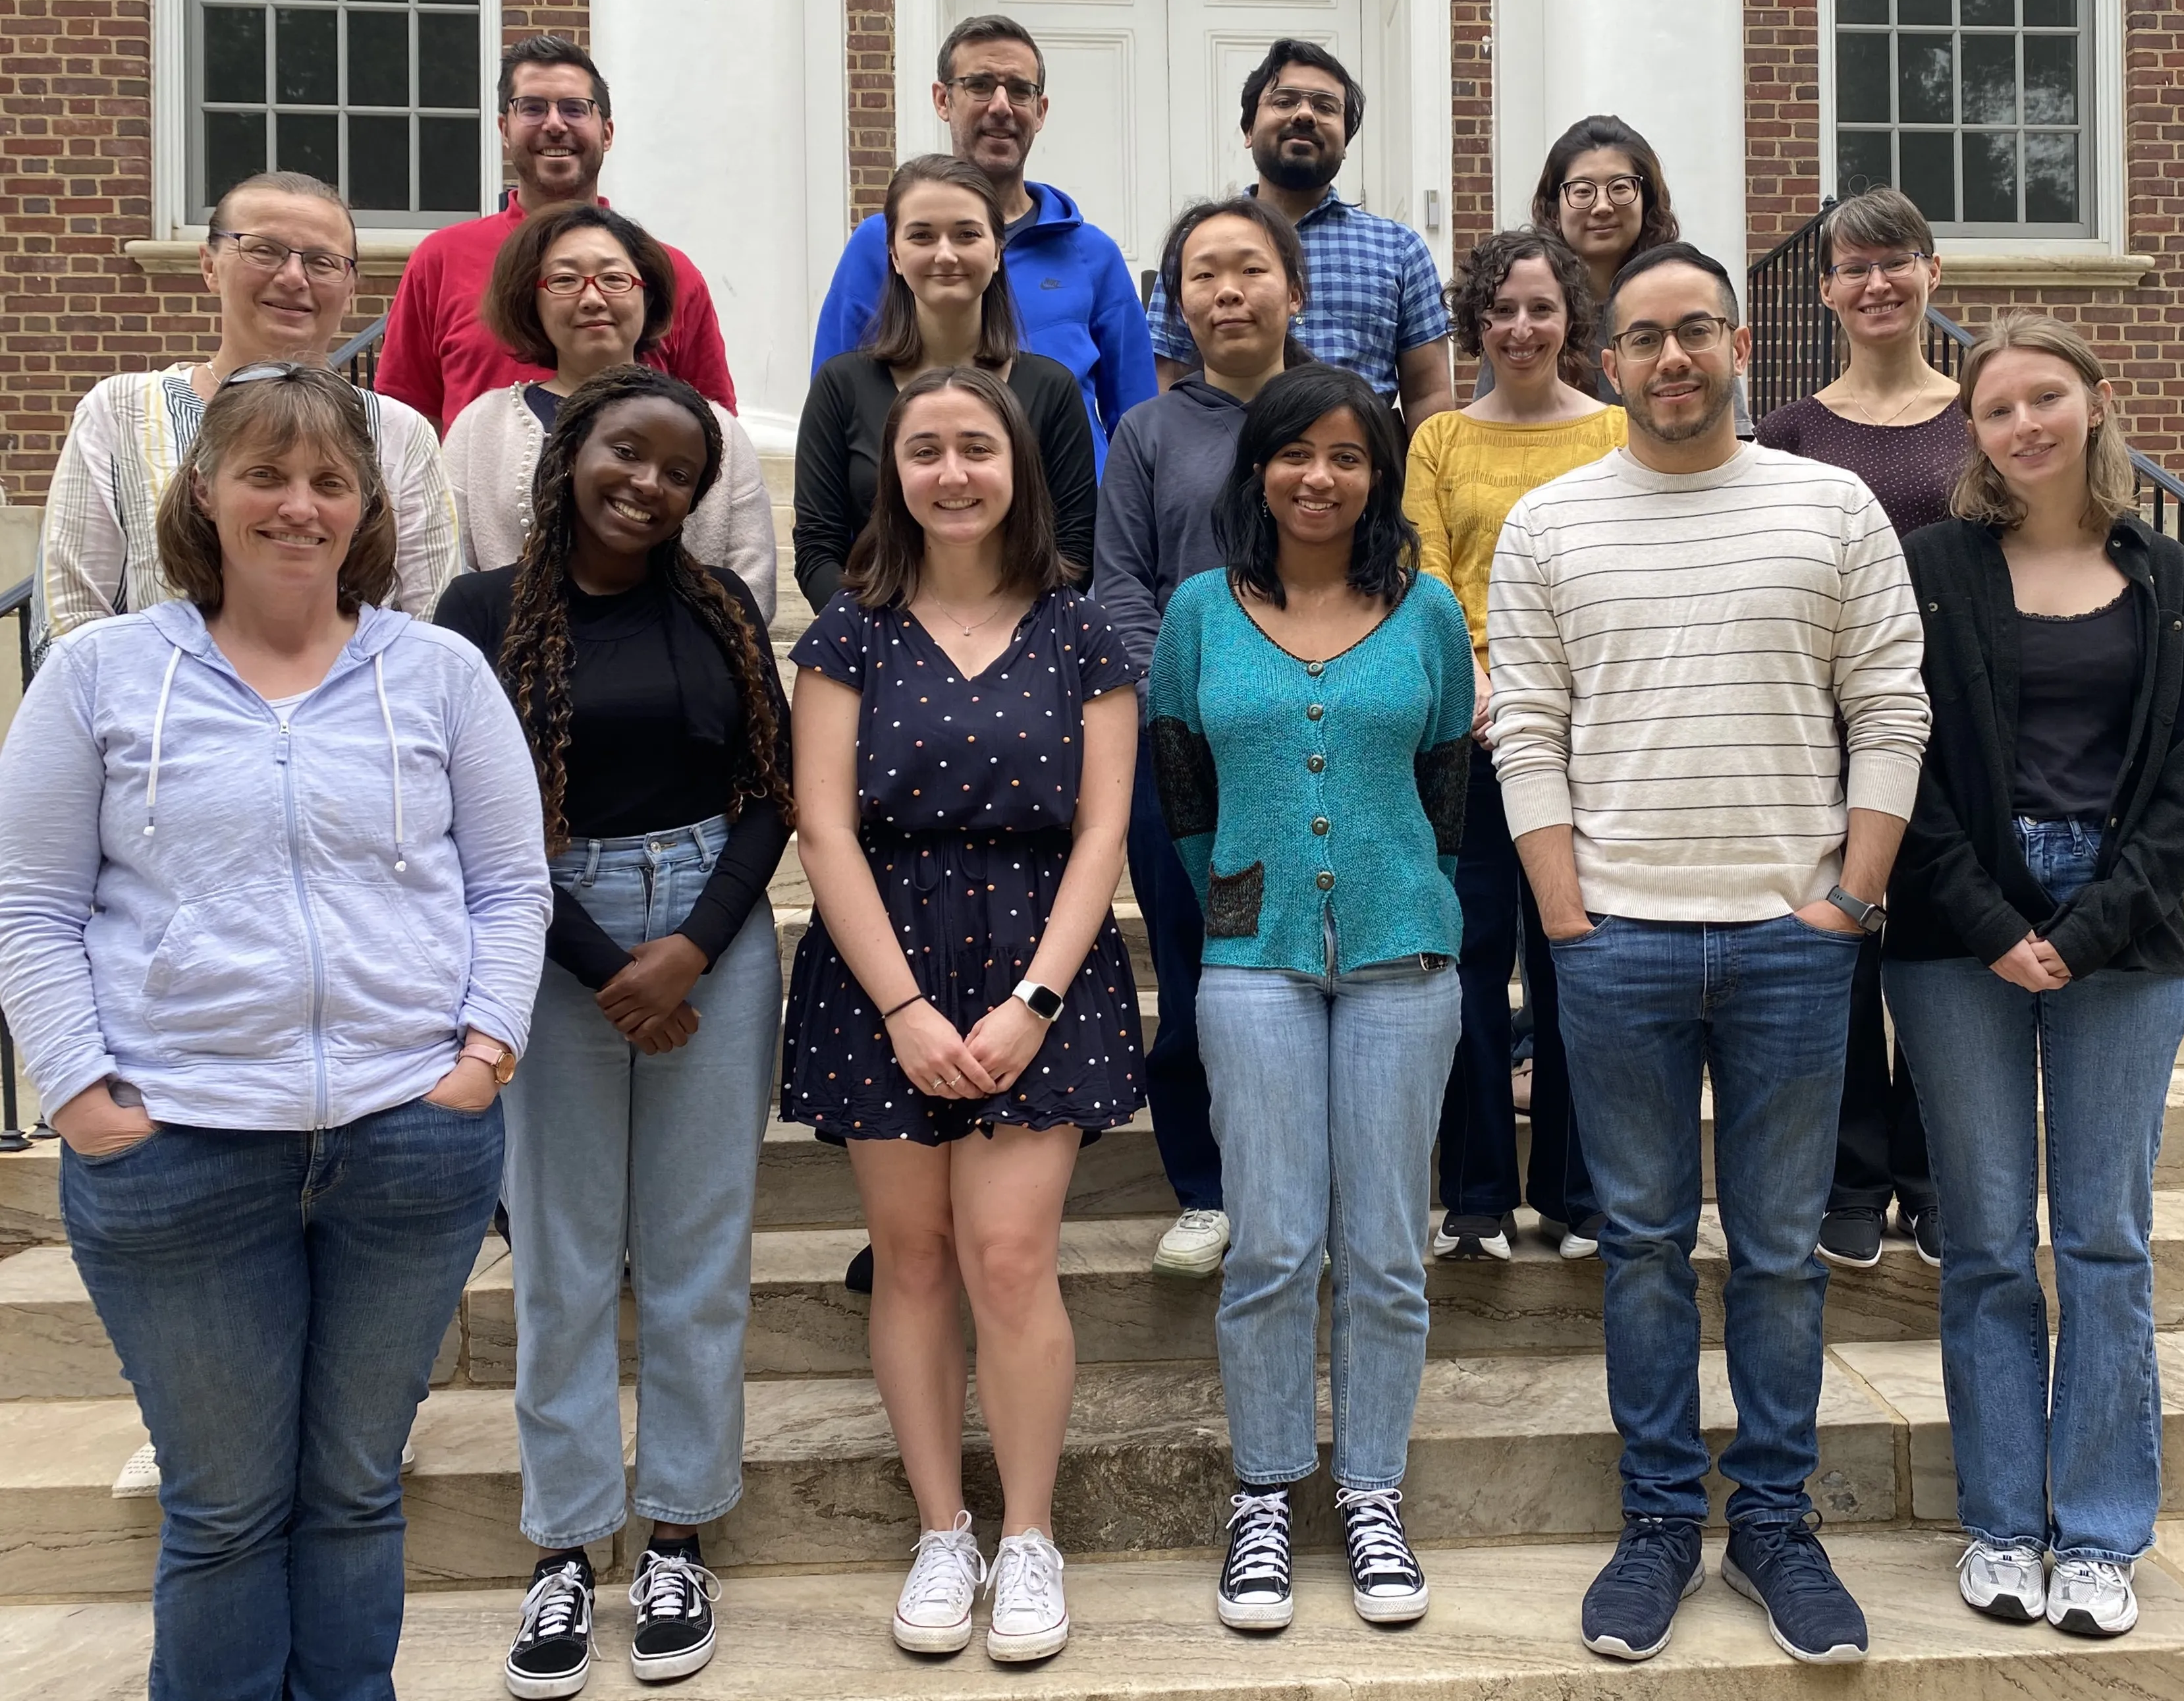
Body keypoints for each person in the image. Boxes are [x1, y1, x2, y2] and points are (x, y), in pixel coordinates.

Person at [0, 364, 550, 1701]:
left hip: (405, 1146)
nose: (297, 506)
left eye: (328, 482)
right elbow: (32, 902)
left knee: (357, 1489)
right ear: (205, 490)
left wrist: (481, 1058)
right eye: (265, 475)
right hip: (178, 1153)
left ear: (366, 508)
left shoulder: (439, 675)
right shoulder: (101, 673)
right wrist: (78, 1089)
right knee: (227, 1506)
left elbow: (508, 883)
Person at [1487, 242, 1928, 1667]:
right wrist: (1563, 913)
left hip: (1790, 939)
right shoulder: (1554, 524)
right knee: (1641, 1249)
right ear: (1605, 361)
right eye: (1642, 338)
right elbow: (1528, 726)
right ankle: (1661, 1520)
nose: (1670, 357)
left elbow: (1892, 709)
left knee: (1785, 1253)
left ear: (1740, 344)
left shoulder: (1830, 502)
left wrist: (1848, 902)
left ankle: (1779, 1527)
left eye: (1694, 332)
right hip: (1613, 936)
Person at [435, 364, 790, 1696]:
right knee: (564, 1258)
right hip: (550, 925)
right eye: (626, 454)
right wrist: (599, 965)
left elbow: (772, 787)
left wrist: (693, 943)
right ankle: (565, 1546)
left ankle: (682, 1530)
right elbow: (471, 816)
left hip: (714, 920)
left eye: (680, 471)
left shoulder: (718, 605)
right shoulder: (477, 614)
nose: (650, 483)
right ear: (572, 450)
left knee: (698, 1253)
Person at [782, 366, 1145, 1665]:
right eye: (925, 448)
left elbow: (1105, 825)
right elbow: (821, 823)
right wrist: (905, 1008)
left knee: (1007, 1254)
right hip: (886, 958)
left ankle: (1031, 1533)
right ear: (895, 472)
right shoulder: (848, 630)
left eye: (975, 447)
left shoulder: (1082, 628)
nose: (951, 470)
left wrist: (1034, 1001)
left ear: (1016, 467)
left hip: (1039, 958)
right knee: (916, 1253)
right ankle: (945, 1527)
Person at [1884, 314, 2184, 1640]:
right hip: (1959, 928)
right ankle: (2005, 1524)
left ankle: (2099, 1535)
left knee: (2104, 1239)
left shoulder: (2171, 581)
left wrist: (2083, 930)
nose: (2023, 423)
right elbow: (1900, 759)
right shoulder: (1935, 570)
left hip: (2123, 939)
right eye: (1997, 406)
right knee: (1982, 1241)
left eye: (2046, 397)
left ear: (2094, 404)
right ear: (1972, 433)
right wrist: (1990, 917)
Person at [1148, 365, 1474, 1634]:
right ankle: (1268, 1493)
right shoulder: (1198, 613)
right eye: (1296, 454)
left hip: (1406, 961)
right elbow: (1181, 793)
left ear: (1378, 476)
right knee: (1275, 1242)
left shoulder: (1428, 611)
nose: (1319, 478)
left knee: (1388, 1248)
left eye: (1347, 456)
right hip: (1253, 969)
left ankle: (1375, 1489)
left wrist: (1404, 899)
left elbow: (1448, 793)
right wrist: (1242, 911)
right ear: (1260, 470)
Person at [1091, 193, 1308, 1279]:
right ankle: (1209, 1185)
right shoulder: (1148, 431)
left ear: (1293, 288)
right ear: (1177, 305)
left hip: (1322, 744)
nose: (1228, 290)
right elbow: (1120, 583)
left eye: (1249, 268)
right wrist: (1175, 702)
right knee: (1200, 960)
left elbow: (1382, 570)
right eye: (1203, 275)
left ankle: (1304, 1179)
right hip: (1182, 754)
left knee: (1308, 956)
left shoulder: (1341, 416)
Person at [1405, 227, 1625, 1264]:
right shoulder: (1440, 441)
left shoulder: (1618, 435)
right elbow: (1428, 574)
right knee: (1470, 958)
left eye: (1541, 308)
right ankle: (1479, 1198)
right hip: (1472, 725)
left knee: (1575, 955)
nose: (1522, 328)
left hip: (1593, 728)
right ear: (1476, 326)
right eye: (1502, 312)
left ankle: (1579, 1194)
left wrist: (1564, 696)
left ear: (1570, 318)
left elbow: (1635, 568)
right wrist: (1484, 684)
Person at [1759, 186, 1969, 1272]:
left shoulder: (1983, 416)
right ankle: (1851, 1174)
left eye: (1898, 260)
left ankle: (1932, 1174)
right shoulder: (1790, 433)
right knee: (1832, 949)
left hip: (1957, 732)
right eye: (1855, 266)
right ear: (1830, 290)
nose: (1877, 282)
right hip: (1817, 728)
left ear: (1934, 273)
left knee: (1934, 956)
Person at [36, 169, 459, 661]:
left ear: (351, 287)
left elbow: (432, 616)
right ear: (210, 265)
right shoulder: (120, 413)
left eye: (323, 262)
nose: (294, 277)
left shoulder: (398, 432)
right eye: (264, 250)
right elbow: (71, 616)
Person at [813, 14, 1154, 474]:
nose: (1000, 106)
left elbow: (1136, 421)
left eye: (1019, 90)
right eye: (979, 85)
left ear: (1041, 110)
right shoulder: (878, 244)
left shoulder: (1092, 254)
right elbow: (831, 413)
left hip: (1063, 528)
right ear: (943, 99)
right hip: (916, 517)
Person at [377, 34, 737, 432]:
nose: (554, 124)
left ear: (607, 132)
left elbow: (712, 427)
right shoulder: (441, 259)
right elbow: (404, 425)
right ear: (505, 129)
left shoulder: (669, 270)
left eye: (575, 109)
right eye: (531, 108)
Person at [442, 199, 778, 623]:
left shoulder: (716, 430)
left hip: (679, 674)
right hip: (510, 676)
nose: (592, 298)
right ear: (533, 301)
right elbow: (450, 570)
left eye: (614, 279)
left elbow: (751, 583)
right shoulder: (481, 427)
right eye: (564, 280)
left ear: (647, 294)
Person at [796, 155, 1097, 614]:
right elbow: (817, 545)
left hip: (1022, 651)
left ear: (997, 250)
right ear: (894, 255)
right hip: (876, 644)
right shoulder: (842, 386)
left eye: (966, 234)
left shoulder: (1052, 389)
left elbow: (1075, 545)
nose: (945, 253)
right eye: (921, 235)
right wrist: (872, 639)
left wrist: (1002, 639)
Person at [1145, 41, 1452, 431]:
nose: (1305, 115)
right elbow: (1165, 381)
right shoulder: (1198, 247)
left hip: (1359, 476)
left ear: (1345, 142)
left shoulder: (1399, 250)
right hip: (1220, 472)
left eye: (1326, 107)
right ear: (1247, 129)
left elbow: (1429, 396)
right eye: (1285, 101)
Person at [1477, 115, 1751, 433]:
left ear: (1645, 201)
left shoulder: (1687, 301)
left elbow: (1732, 435)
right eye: (1582, 191)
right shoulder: (1525, 321)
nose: (1603, 206)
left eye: (1621, 188)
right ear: (1555, 210)